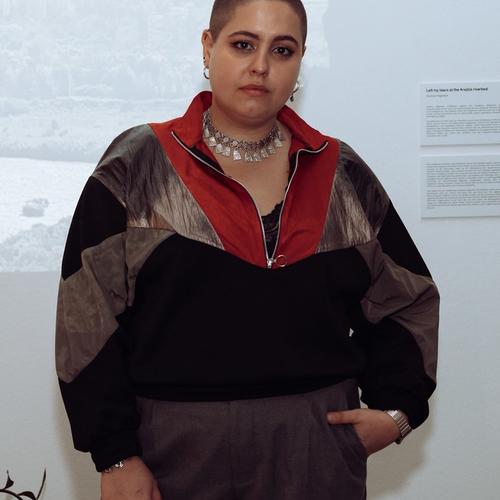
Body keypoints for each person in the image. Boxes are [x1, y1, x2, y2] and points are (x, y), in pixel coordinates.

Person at [55, 0, 440, 499]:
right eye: (243, 44)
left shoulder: (341, 173)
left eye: (282, 50)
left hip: (316, 449)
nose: (261, 66)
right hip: (174, 451)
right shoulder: (138, 165)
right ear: (208, 47)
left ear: (300, 61)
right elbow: (85, 314)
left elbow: (408, 299)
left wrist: (397, 410)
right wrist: (115, 454)